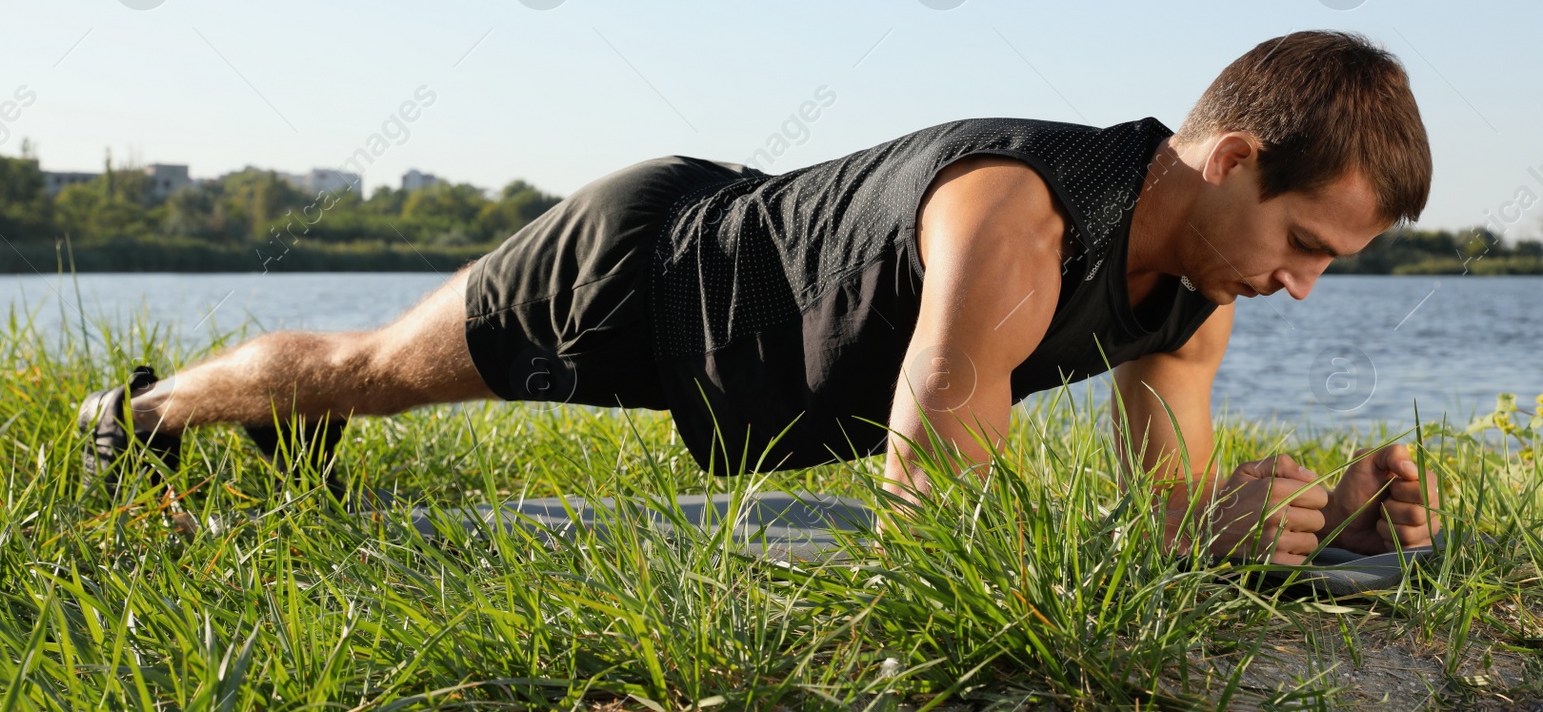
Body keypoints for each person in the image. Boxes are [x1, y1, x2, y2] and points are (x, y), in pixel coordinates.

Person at [80, 30, 1440, 563]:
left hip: (750, 331)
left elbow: (1171, 520)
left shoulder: (1202, 282)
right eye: (1304, 243)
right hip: (651, 268)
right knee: (373, 371)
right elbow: (936, 516)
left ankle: (265, 437)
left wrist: (1323, 538)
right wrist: (1194, 539)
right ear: (1237, 161)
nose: (1300, 287)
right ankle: (143, 412)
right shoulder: (1020, 220)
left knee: (368, 386)